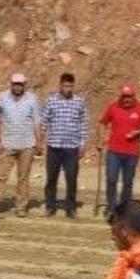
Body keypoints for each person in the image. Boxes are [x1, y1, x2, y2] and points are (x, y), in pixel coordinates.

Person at [97, 84, 140, 216]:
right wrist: (100, 141)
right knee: (111, 179)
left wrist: (138, 132)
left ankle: (124, 209)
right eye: (124, 96)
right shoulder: (113, 107)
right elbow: (102, 123)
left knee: (127, 182)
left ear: (134, 96)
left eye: (128, 97)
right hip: (114, 151)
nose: (126, 99)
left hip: (132, 152)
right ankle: (111, 207)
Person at [0, 73, 42, 218]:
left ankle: (21, 206)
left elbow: (37, 120)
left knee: (23, 177)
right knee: (1, 176)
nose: (17, 86)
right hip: (7, 144)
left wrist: (39, 141)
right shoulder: (2, 97)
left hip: (27, 144)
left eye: (20, 84)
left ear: (24, 85)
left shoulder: (32, 98)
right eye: (15, 84)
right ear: (11, 84)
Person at [41, 73, 88, 218]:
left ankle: (71, 207)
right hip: (54, 146)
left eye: (71, 86)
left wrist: (82, 145)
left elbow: (84, 124)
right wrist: (40, 140)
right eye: (66, 86)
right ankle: (50, 206)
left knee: (72, 178)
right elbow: (44, 121)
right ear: (60, 85)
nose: (68, 89)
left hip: (71, 147)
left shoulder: (79, 102)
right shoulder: (51, 101)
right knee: (51, 178)